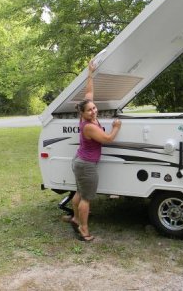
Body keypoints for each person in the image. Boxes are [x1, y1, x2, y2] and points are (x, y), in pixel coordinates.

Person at [67, 59, 122, 242]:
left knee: (79, 193)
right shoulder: (88, 127)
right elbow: (107, 139)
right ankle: (83, 229)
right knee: (86, 198)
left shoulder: (88, 115)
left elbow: (89, 92)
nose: (93, 111)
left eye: (94, 108)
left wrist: (90, 72)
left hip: (81, 162)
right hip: (86, 165)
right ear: (82, 114)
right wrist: (116, 126)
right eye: (89, 110)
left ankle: (75, 219)